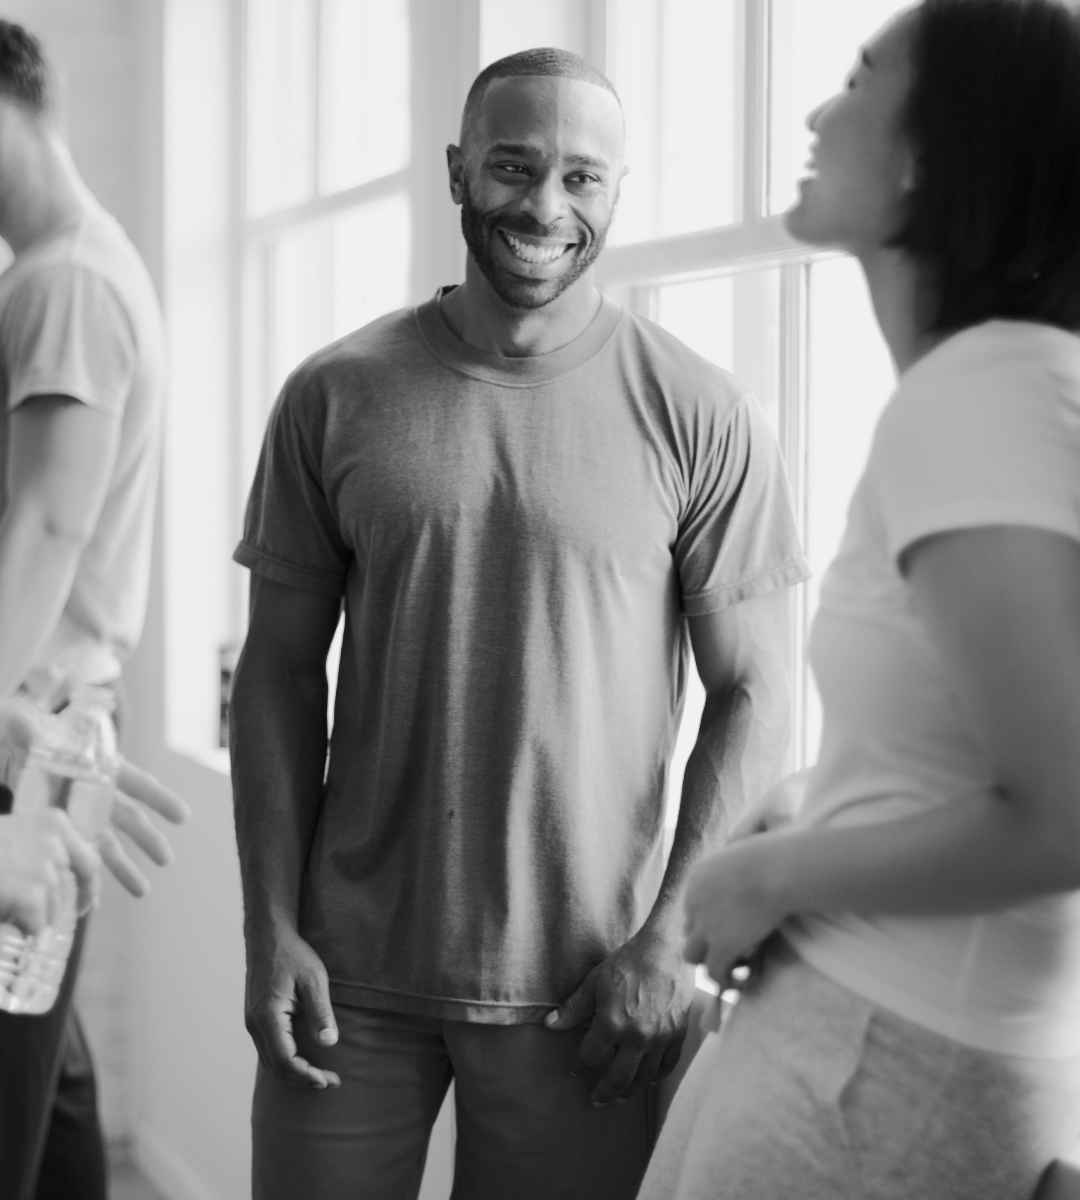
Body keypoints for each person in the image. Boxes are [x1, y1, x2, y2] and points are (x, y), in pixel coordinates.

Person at [231, 46, 808, 1200]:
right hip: (346, 981)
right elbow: (280, 677)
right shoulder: (334, 393)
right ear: (457, 171)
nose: (545, 207)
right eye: (513, 165)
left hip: (586, 990)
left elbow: (758, 690)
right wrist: (270, 931)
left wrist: (668, 938)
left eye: (582, 178)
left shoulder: (699, 412)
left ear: (617, 192)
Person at [637, 2, 1080, 1197]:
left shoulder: (979, 395)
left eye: (859, 80)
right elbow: (972, 757)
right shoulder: (1012, 391)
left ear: (933, 152)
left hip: (879, 1062)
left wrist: (769, 875)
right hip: (884, 1040)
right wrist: (810, 812)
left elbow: (1064, 813)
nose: (818, 110)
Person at [0, 20, 188, 1200]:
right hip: (47, 715)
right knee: (47, 1063)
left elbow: (48, 529)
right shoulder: (69, 265)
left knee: (13, 1076)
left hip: (28, 723)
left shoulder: (67, 279)